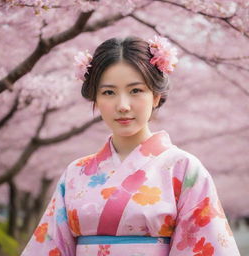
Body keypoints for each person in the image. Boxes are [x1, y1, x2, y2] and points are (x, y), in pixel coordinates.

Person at [21, 35, 241, 256]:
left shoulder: (183, 169)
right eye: (109, 92)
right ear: (96, 100)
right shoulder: (75, 173)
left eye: (136, 90)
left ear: (155, 96)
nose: (123, 106)